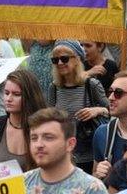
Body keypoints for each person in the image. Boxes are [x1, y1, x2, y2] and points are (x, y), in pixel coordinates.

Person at [46, 40, 109, 173]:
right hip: (63, 154)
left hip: (89, 154)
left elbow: (113, 110)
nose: (60, 63)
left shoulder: (91, 84)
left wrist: (97, 110)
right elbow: (49, 118)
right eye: (55, 60)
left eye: (64, 59)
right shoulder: (54, 88)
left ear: (77, 59)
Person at [0, 69, 47, 170]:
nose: (9, 98)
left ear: (30, 96)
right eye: (6, 93)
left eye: (16, 94)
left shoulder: (46, 127)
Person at [92, 71, 127, 180]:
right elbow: (94, 177)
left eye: (118, 93)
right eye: (110, 92)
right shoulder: (103, 133)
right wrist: (98, 175)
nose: (111, 97)